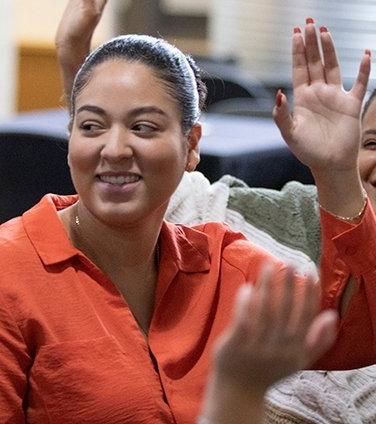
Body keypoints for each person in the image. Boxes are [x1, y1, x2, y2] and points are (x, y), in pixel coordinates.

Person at [0, 7, 375, 424]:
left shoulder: (223, 263)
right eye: (91, 127)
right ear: (71, 137)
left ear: (191, 145)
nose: (115, 149)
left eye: (143, 127)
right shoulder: (10, 271)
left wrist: (337, 171)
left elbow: (357, 332)